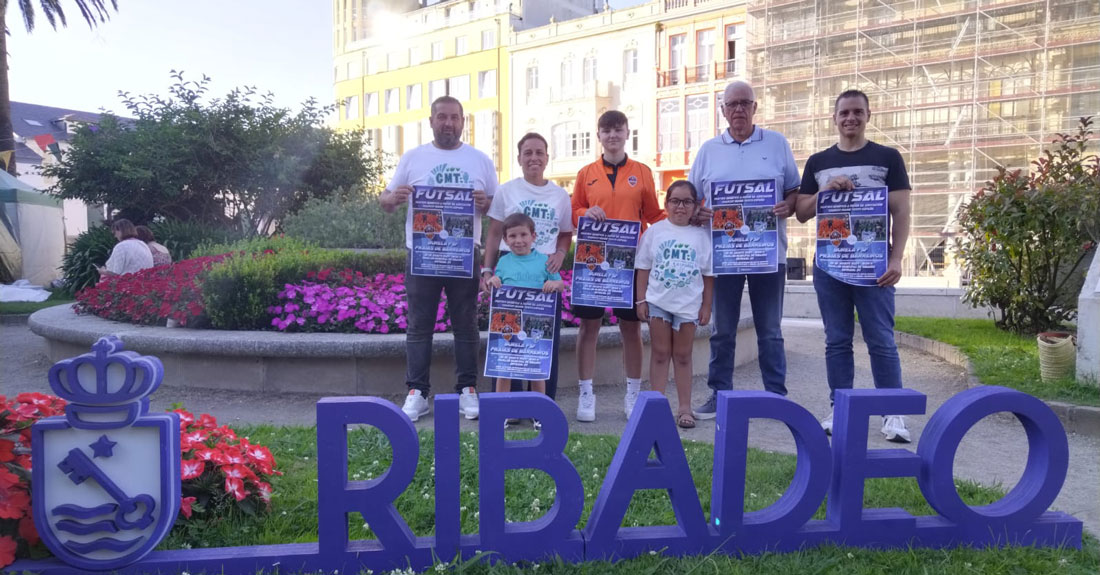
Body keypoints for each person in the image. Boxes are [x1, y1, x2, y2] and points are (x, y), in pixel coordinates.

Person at [794, 88, 913, 443]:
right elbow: (801, 212)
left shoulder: (888, 157)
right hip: (830, 266)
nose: (850, 118)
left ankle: (894, 413)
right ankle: (840, 407)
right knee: (837, 341)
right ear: (834, 118)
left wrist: (896, 258)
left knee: (881, 340)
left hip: (875, 267)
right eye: (844, 112)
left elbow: (902, 212)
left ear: (868, 115)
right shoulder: (818, 162)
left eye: (857, 112)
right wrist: (826, 191)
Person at [688, 80, 801, 420]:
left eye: (744, 103)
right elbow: (690, 200)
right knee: (723, 330)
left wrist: (787, 206)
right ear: (722, 110)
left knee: (770, 329)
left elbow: (795, 191)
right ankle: (719, 393)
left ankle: (776, 396)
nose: (738, 109)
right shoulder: (709, 150)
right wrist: (699, 212)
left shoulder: (777, 144)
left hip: (768, 256)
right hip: (723, 256)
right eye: (732, 104)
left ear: (755, 107)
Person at [379, 95, 496, 423]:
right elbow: (385, 200)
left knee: (466, 324)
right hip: (422, 256)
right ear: (431, 121)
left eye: (454, 117)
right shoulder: (414, 158)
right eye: (442, 117)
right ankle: (417, 391)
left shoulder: (480, 161)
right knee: (419, 326)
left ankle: (467, 389)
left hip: (462, 255)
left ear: (463, 121)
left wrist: (486, 203)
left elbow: (496, 210)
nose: (448, 123)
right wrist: (393, 198)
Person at [570, 110, 665, 422]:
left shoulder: (642, 171)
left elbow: (654, 215)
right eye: (606, 130)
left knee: (631, 327)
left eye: (618, 130)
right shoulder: (586, 173)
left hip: (630, 263)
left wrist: (686, 222)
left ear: (627, 133)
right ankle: (586, 392)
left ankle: (633, 392)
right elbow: (573, 212)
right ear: (598, 135)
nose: (612, 136)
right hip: (593, 262)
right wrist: (586, 211)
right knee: (589, 327)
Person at [483, 132, 574, 400]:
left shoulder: (559, 195)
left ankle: (540, 405)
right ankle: (506, 406)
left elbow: (566, 233)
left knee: (542, 346)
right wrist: (487, 271)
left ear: (547, 157)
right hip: (511, 277)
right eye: (528, 153)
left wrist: (559, 252)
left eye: (539, 152)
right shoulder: (507, 190)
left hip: (543, 281)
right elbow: (494, 232)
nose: (534, 157)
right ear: (520, 158)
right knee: (506, 343)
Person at [635, 181, 714, 429]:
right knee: (659, 354)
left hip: (688, 306)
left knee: (682, 356)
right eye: (675, 201)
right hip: (659, 303)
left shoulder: (702, 237)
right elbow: (643, 268)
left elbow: (708, 275)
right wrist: (640, 300)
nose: (680, 206)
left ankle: (684, 408)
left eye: (687, 201)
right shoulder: (655, 232)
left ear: (695, 205)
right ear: (666, 204)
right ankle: (657, 407)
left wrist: (706, 306)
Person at [485, 213, 565, 429]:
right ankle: (502, 412)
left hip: (536, 325)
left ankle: (538, 413)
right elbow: (498, 280)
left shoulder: (544, 261)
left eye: (523, 235)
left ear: (533, 236)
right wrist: (494, 280)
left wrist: (553, 285)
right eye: (512, 236)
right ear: (505, 239)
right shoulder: (504, 261)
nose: (518, 240)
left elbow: (561, 285)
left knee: (536, 370)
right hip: (508, 325)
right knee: (504, 370)